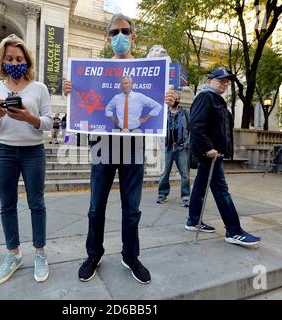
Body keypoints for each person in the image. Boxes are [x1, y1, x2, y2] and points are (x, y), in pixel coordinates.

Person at [63, 13, 176, 284]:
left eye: (124, 31)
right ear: (107, 38)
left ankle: (130, 256)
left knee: (132, 208)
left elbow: (162, 107)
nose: (120, 37)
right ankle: (94, 254)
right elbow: (91, 107)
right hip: (102, 143)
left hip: (134, 145)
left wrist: (172, 100)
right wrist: (70, 90)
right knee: (95, 205)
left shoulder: (148, 73)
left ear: (133, 37)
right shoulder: (96, 73)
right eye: (114, 32)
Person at [0, 34, 53, 285]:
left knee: (36, 203)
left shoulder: (39, 88)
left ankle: (40, 253)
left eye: (19, 58)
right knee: (7, 204)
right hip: (4, 151)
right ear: (2, 60)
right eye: (9, 58)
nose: (14, 62)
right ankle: (13, 254)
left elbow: (49, 123)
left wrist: (28, 118)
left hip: (33, 152)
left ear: (27, 60)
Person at [186, 68, 260, 247]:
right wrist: (208, 148)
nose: (225, 83)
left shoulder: (216, 99)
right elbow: (196, 126)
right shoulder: (205, 97)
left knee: (200, 187)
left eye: (227, 81)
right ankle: (233, 231)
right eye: (221, 80)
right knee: (221, 190)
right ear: (210, 80)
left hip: (214, 153)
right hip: (210, 154)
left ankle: (193, 220)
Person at [157, 91, 191, 207]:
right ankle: (162, 194)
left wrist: (188, 143)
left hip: (182, 147)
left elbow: (191, 128)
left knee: (185, 174)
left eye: (176, 98)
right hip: (168, 147)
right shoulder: (164, 113)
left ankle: (186, 197)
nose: (174, 100)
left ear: (178, 100)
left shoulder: (185, 112)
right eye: (172, 98)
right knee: (164, 173)